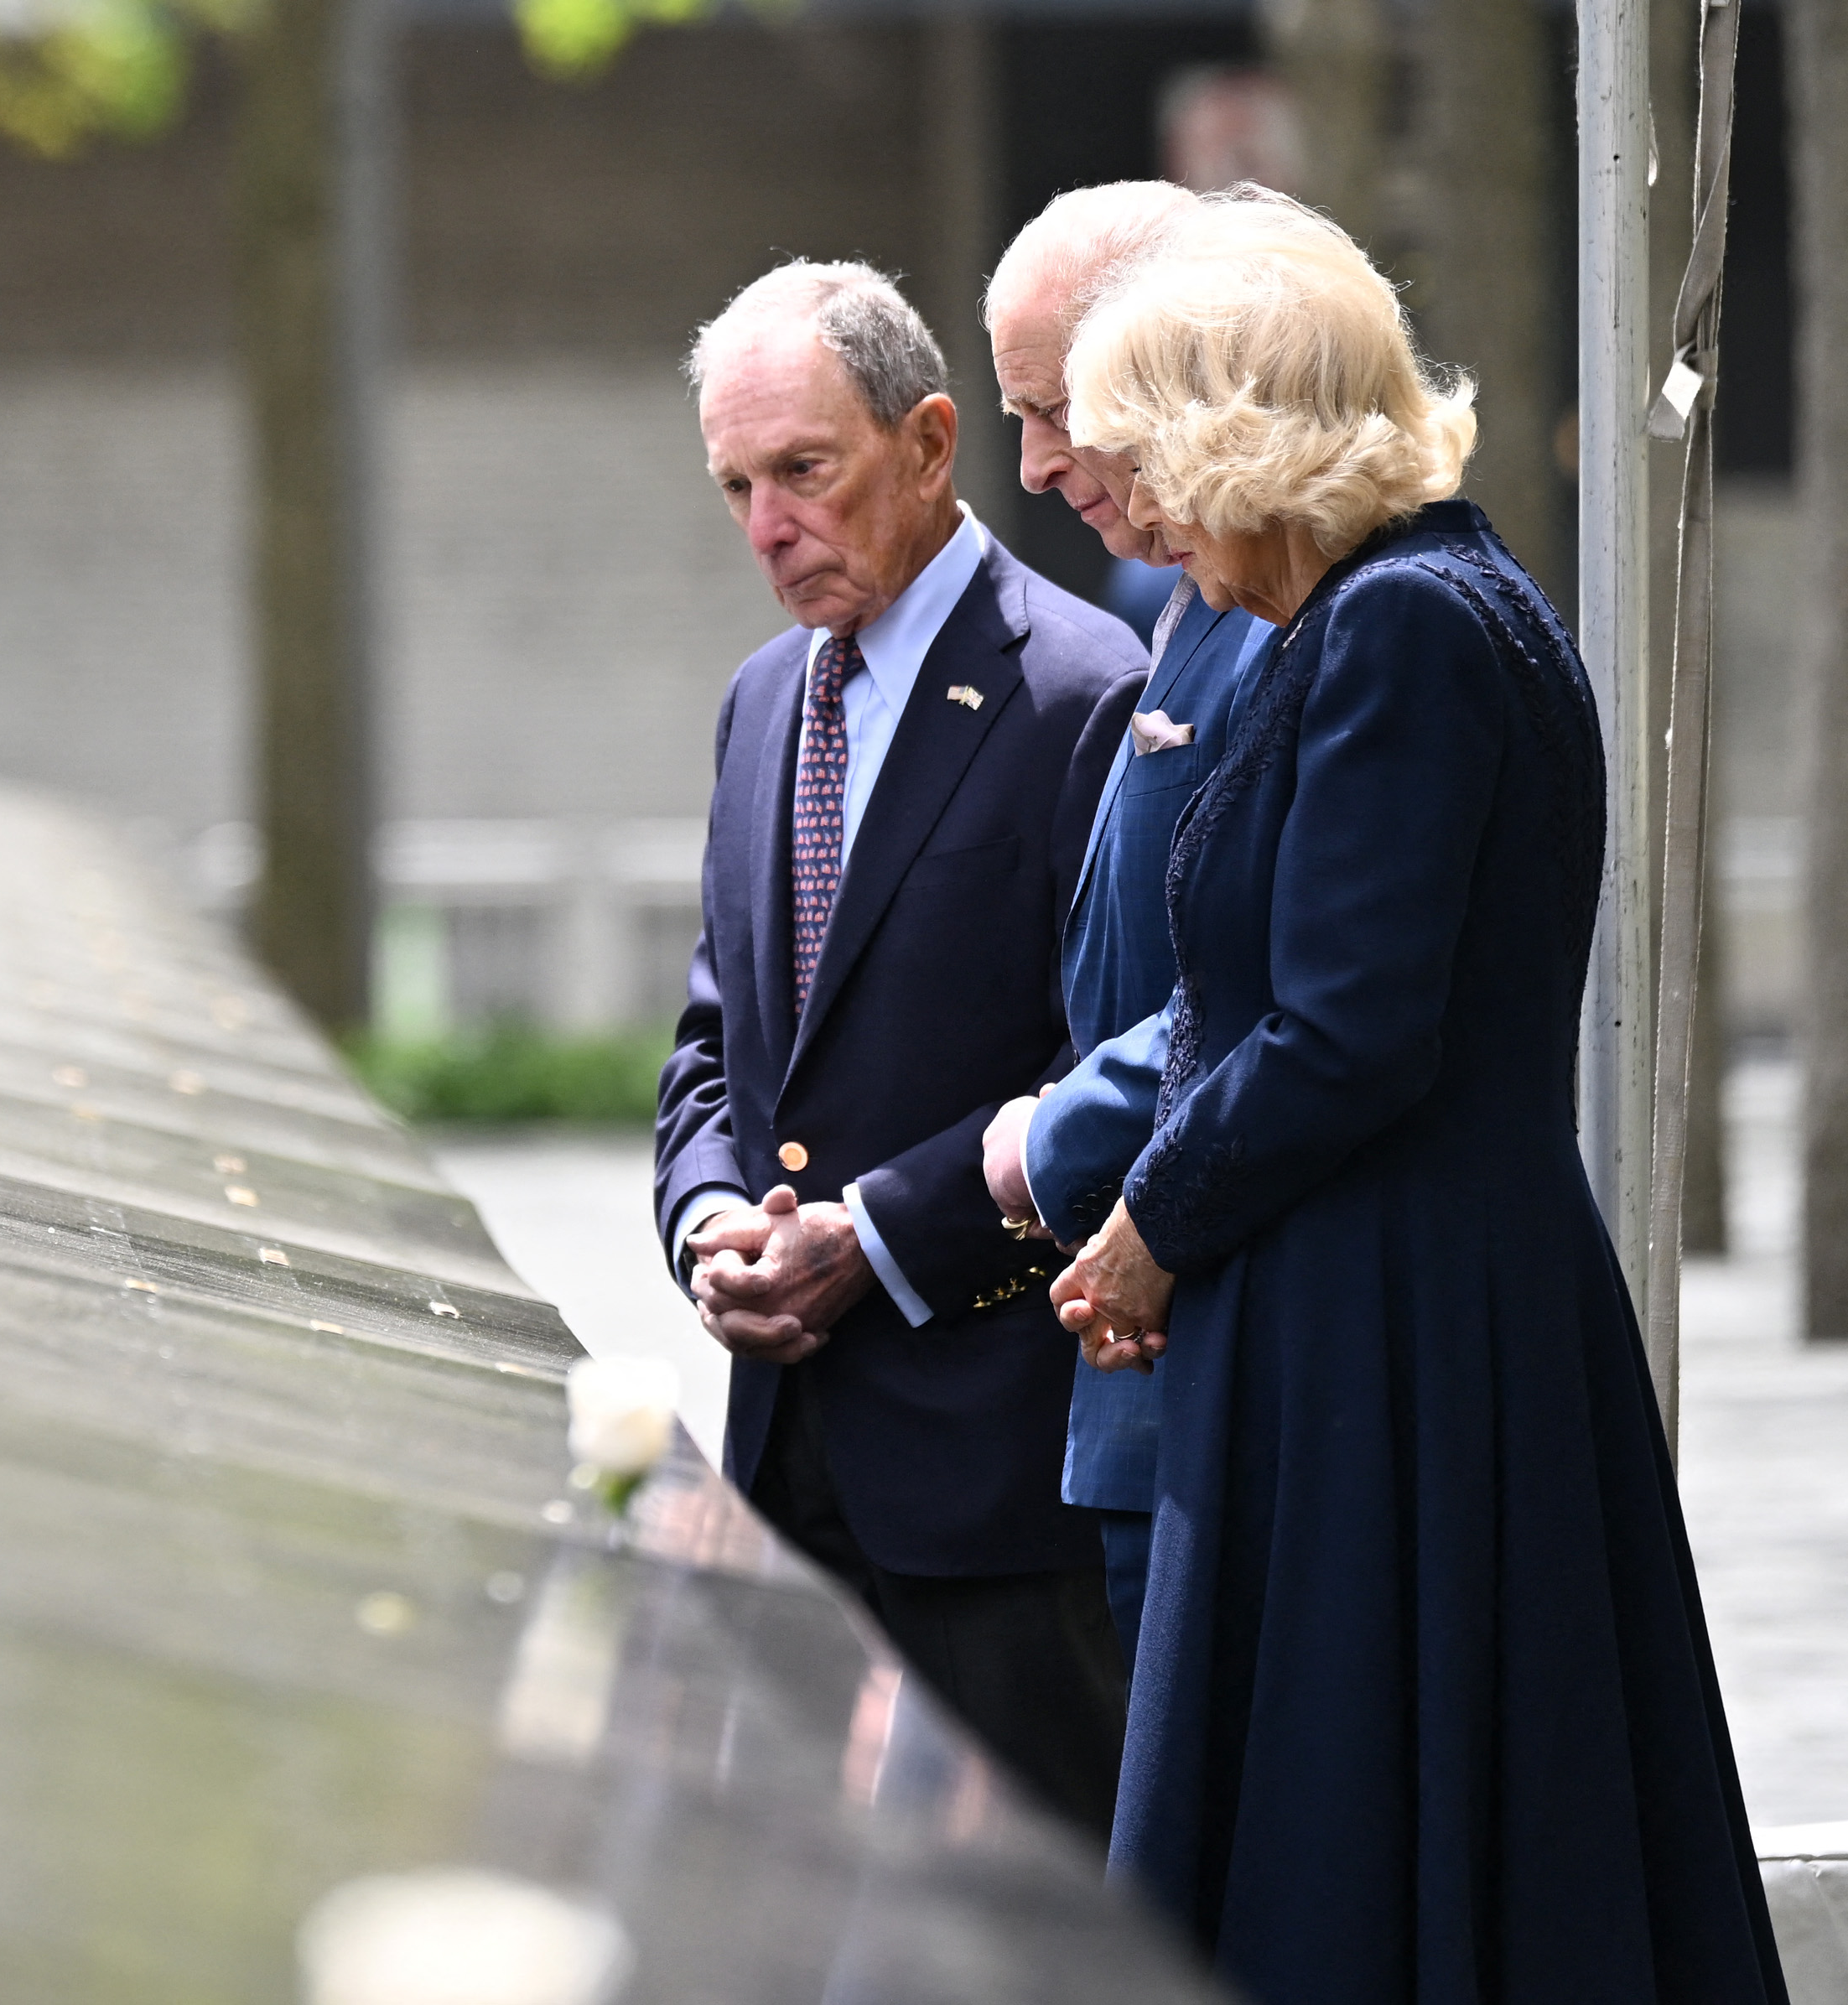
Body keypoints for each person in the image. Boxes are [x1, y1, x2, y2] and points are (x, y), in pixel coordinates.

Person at [1047, 194, 1788, 2002]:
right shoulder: (1409, 615)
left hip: (1396, 1329)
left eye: (1147, 455)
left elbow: (1347, 1028)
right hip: (1403, 1305)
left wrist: (1150, 1221)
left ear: (1244, 437)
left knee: (1368, 1825)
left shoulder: (1404, 631)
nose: (1132, 508)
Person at [654, 259, 1143, 1836]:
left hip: (997, 1480)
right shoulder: (753, 705)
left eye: (805, 470)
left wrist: (879, 1239)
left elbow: (1124, 1071)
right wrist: (708, 1220)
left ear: (931, 443)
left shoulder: (1085, 695)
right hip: (788, 1463)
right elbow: (715, 1041)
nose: (767, 525)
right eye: (736, 485)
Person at [972, 181, 1279, 1665]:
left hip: (1230, 1363)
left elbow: (1275, 981)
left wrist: (1042, 1139)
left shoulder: (1291, 616)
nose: (1026, 467)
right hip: (1144, 1369)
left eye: (1050, 409)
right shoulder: (1190, 601)